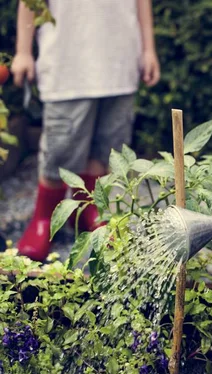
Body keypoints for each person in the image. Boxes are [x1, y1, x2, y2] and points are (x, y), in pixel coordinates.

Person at [11, 0, 160, 261]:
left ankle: (90, 213)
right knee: (59, 154)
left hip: (120, 61)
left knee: (105, 151)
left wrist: (148, 48)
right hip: (67, 65)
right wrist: (23, 51)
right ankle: (44, 220)